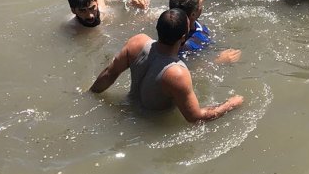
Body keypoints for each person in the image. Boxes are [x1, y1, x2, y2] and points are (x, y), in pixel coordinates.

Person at [88, 9, 243, 123]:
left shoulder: (137, 42)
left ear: (157, 29)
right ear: (183, 38)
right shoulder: (177, 73)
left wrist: (89, 94)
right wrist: (230, 104)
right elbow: (195, 117)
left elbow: (109, 74)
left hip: (127, 107)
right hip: (150, 124)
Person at [168, 0, 241, 63]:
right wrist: (219, 61)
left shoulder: (174, 16)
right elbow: (189, 67)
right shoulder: (186, 45)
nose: (202, 6)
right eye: (200, 5)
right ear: (193, 14)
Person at [66, 0, 149, 28]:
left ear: (96, 2)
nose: (90, 15)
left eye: (92, 8)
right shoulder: (72, 26)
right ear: (73, 10)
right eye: (82, 10)